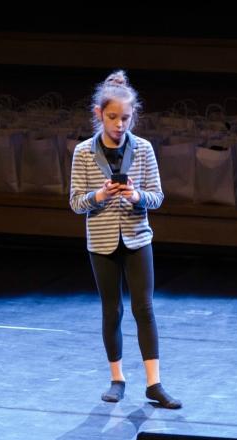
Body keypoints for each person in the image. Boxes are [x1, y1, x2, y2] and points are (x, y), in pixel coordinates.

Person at [69, 70, 181, 409]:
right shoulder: (84, 153)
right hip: (102, 242)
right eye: (113, 117)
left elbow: (157, 196)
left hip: (137, 238)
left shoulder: (143, 149)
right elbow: (76, 202)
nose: (120, 124)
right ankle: (117, 378)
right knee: (112, 309)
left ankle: (154, 384)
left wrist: (136, 196)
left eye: (126, 118)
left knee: (143, 308)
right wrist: (100, 195)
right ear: (99, 114)